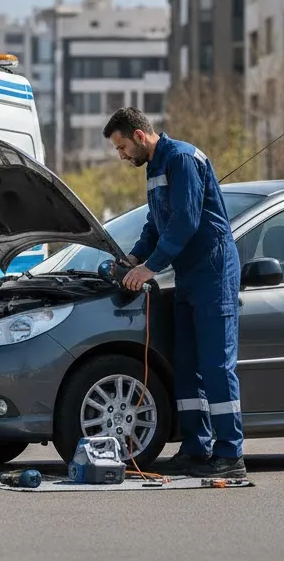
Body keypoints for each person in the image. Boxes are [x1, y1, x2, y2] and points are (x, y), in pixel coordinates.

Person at [101, 107, 246, 479]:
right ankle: (197, 448)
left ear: (138, 135)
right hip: (187, 275)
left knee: (215, 365)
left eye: (121, 148)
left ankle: (230, 454)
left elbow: (184, 221)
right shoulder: (154, 167)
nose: (121, 156)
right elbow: (156, 223)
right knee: (187, 366)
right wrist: (134, 256)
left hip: (213, 272)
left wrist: (149, 267)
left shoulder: (181, 158)